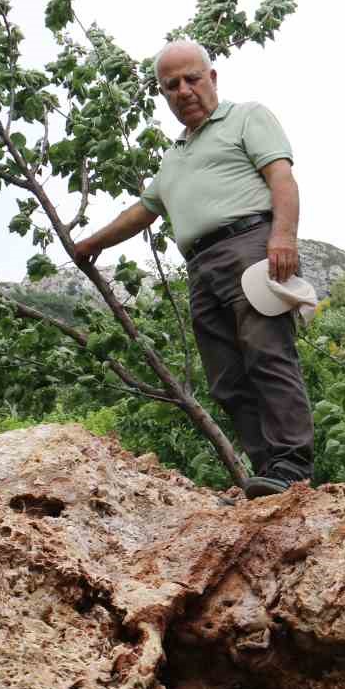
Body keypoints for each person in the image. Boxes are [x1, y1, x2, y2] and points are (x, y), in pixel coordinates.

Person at [71, 39, 315, 499]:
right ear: (163, 94)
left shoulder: (247, 117)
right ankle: (268, 472)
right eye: (171, 85)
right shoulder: (173, 157)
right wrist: (91, 242)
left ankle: (292, 466)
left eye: (192, 79)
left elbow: (281, 177)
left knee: (267, 355)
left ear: (212, 78)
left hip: (249, 248)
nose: (183, 90)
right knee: (226, 378)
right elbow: (142, 212)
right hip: (200, 268)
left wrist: (284, 236)